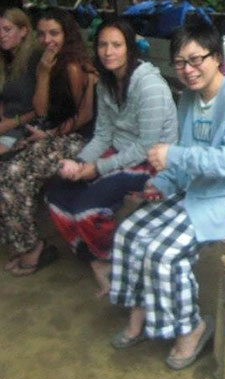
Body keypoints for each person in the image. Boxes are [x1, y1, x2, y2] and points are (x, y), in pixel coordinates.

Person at [108, 21, 225, 370]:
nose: (188, 71)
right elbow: (184, 153)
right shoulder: (190, 99)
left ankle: (192, 328)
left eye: (196, 60)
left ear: (216, 58)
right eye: (180, 63)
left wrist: (172, 157)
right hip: (196, 192)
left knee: (163, 254)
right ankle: (140, 315)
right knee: (131, 234)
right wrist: (161, 185)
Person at [45, 17, 177, 294]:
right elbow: (103, 134)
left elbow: (145, 146)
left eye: (116, 45)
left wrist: (98, 168)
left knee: (86, 210)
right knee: (57, 193)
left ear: (129, 48)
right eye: (103, 45)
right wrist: (81, 163)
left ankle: (111, 260)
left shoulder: (148, 85)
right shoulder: (104, 83)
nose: (108, 51)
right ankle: (94, 258)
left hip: (152, 162)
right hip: (117, 153)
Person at [0, 8, 96, 276]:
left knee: (13, 172)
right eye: (42, 34)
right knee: (9, 171)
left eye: (54, 33)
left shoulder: (74, 66)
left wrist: (49, 136)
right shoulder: (46, 63)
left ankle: (33, 247)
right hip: (53, 135)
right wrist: (42, 74)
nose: (47, 39)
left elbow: (83, 117)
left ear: (66, 34)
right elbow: (42, 111)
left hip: (78, 140)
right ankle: (28, 245)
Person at [0, 7, 41, 155]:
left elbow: (44, 107)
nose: (1, 35)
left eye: (7, 29)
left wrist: (13, 122)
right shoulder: (6, 60)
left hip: (27, 127)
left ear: (23, 31)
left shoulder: (36, 57)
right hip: (7, 125)